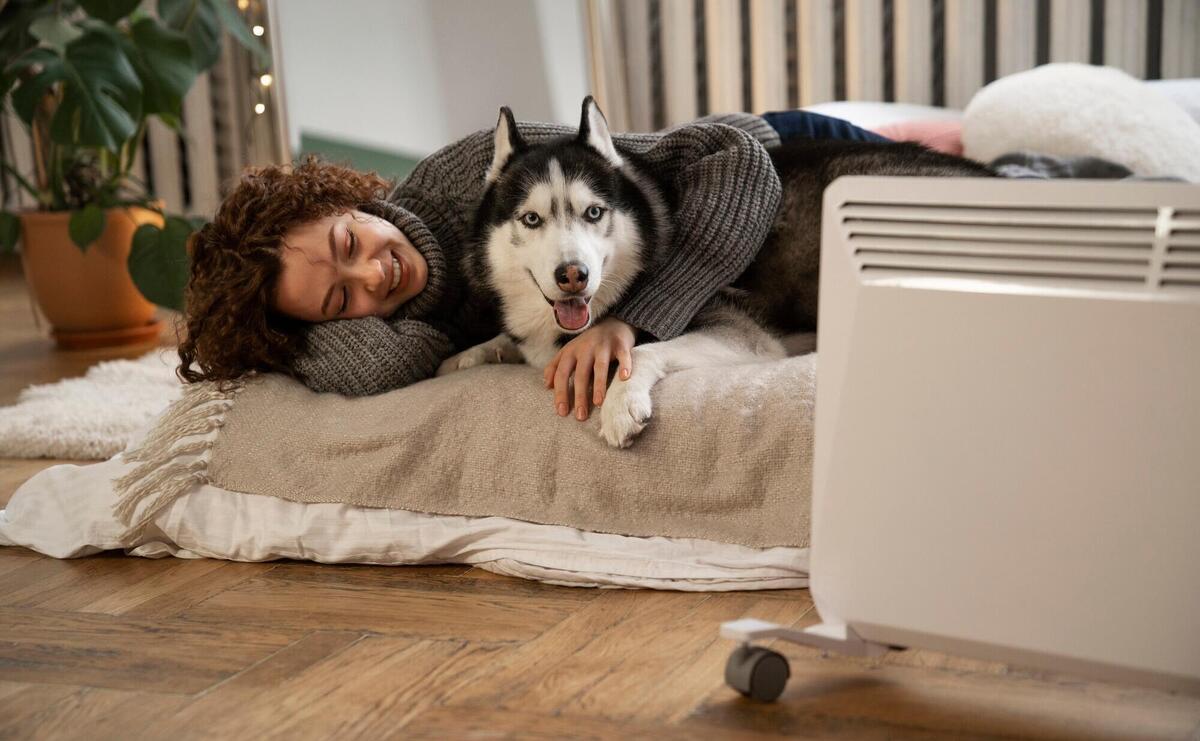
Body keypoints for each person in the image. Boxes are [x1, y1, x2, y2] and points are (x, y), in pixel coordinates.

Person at [178, 108, 888, 421]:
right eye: (339, 302)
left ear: (347, 200)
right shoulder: (402, 331)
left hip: (783, 154)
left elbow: (732, 164)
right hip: (769, 278)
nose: (373, 274)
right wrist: (282, 337)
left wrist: (636, 323)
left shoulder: (467, 176)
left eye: (348, 242)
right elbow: (369, 372)